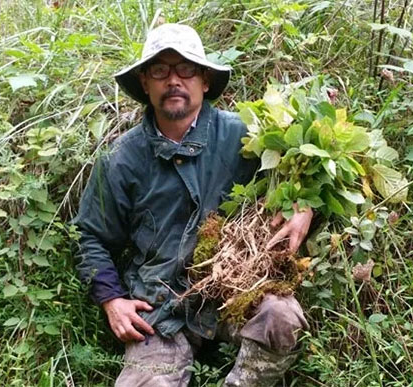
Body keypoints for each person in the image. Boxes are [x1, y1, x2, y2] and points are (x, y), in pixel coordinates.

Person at [74, 23, 312, 386]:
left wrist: (304, 208)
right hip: (160, 307)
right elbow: (90, 236)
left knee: (281, 316)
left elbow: (300, 176)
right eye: (160, 71)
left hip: (236, 287)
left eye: (186, 69)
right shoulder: (121, 159)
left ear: (203, 80)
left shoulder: (247, 137)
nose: (174, 80)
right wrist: (112, 300)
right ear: (144, 82)